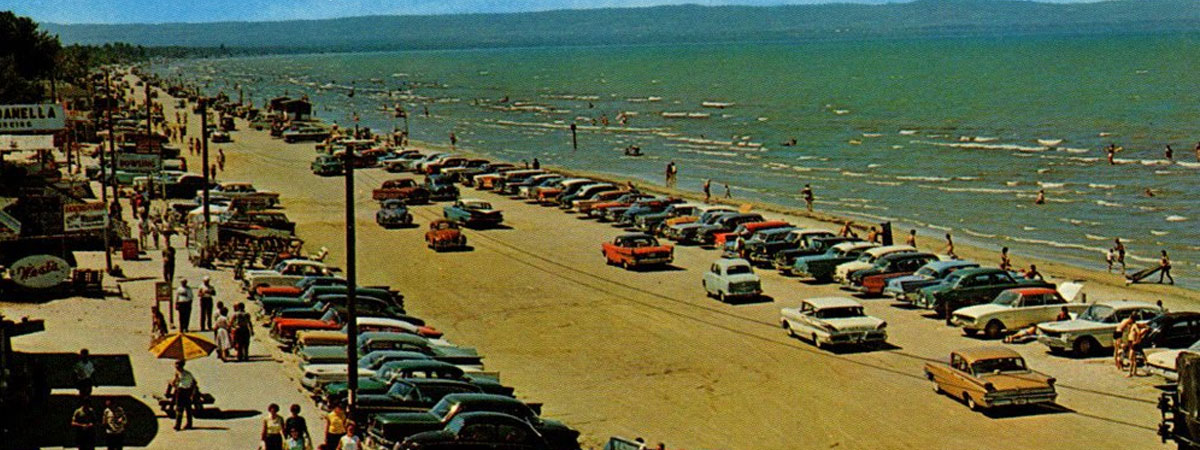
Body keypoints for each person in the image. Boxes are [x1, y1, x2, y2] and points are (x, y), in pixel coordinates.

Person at [1005, 306, 1071, 343]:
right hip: (1046, 329)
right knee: (1027, 331)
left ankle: (1012, 337)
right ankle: (1013, 337)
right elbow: (1056, 323)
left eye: (1063, 312)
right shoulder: (1059, 316)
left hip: (1049, 331)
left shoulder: (1067, 318)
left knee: (1028, 332)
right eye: (1062, 312)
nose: (1062, 313)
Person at [171, 360, 197, 430]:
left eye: (177, 366)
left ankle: (178, 425)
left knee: (179, 408)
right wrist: (192, 392)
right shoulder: (188, 373)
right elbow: (194, 382)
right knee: (188, 408)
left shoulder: (179, 374)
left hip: (181, 391)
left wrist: (175, 380)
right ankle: (189, 424)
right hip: (188, 391)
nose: (176, 367)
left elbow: (174, 383)